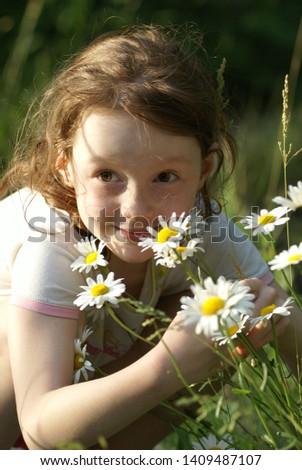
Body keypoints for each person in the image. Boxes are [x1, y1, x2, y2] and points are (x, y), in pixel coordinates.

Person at [0, 24, 301, 450]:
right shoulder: (48, 237)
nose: (137, 207)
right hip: (26, 413)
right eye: (107, 175)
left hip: (79, 421)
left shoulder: (204, 229)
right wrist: (168, 364)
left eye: (165, 177)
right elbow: (39, 430)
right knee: (11, 329)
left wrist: (279, 319)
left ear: (204, 172)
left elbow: (279, 312)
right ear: (64, 166)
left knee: (215, 321)